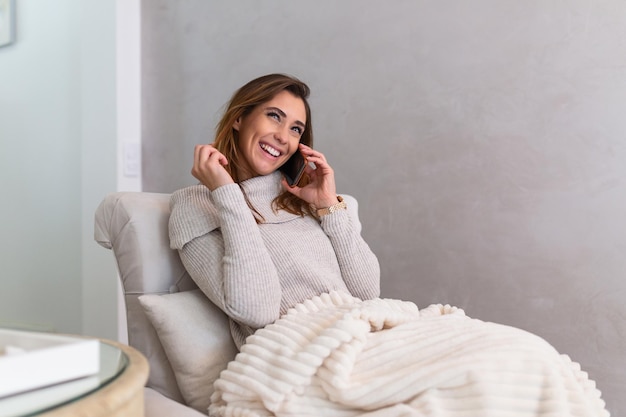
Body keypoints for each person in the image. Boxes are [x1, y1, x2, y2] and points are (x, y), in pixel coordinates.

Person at [168, 73, 381, 349]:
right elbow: (257, 311)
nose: (283, 137)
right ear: (239, 118)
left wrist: (329, 206)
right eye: (274, 116)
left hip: (362, 336)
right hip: (300, 352)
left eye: (295, 129)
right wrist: (227, 193)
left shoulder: (302, 199)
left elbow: (367, 294)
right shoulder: (195, 205)